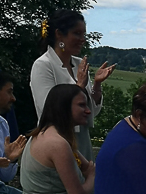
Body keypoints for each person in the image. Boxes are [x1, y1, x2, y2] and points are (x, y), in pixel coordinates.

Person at [30, 10, 116, 162]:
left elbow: (91, 112)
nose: (82, 39)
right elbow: (48, 110)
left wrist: (97, 84)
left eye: (84, 34)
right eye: (77, 33)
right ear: (59, 34)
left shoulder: (79, 64)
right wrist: (79, 86)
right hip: (56, 141)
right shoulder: (43, 65)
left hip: (81, 141)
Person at [16, 84, 95, 194]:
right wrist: (92, 177)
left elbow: (86, 166)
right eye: (81, 105)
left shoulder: (42, 134)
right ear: (63, 107)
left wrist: (90, 172)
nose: (88, 111)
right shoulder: (57, 144)